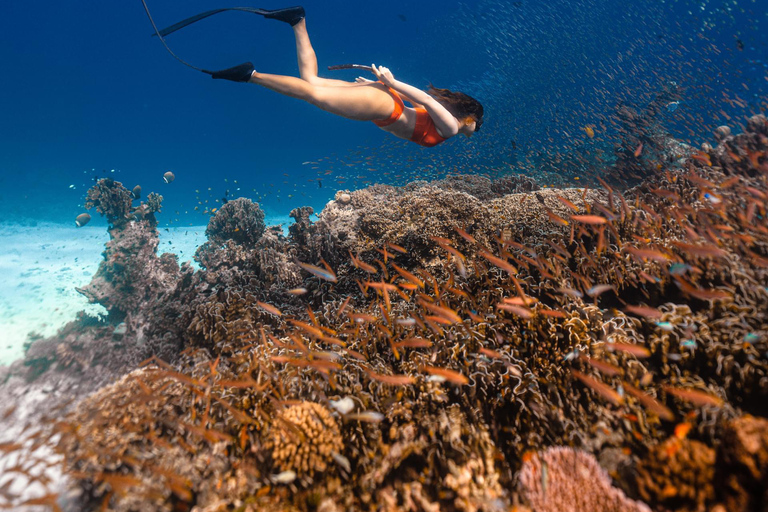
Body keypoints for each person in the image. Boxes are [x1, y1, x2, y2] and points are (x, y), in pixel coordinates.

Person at [211, 7, 484, 147]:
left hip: (384, 101)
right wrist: (389, 84)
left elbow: (419, 103)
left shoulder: (443, 121)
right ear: (469, 118)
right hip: (384, 108)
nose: (475, 131)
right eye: (477, 125)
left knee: (312, 80)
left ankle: (298, 21)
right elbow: (422, 97)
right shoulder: (450, 127)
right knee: (312, 94)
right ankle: (251, 75)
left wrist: (381, 86)